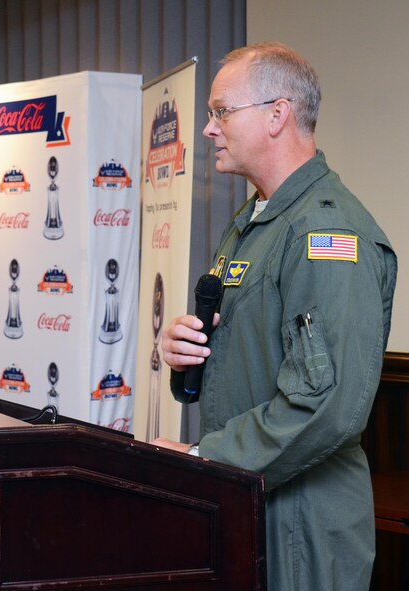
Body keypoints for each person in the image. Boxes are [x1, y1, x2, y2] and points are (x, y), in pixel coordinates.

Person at [156, 42, 397, 590]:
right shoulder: (253, 220)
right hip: (248, 501)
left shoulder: (328, 236)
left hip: (300, 529)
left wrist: (202, 457)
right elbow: (251, 353)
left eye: (221, 111)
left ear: (276, 114)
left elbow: (326, 409)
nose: (209, 128)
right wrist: (187, 355)